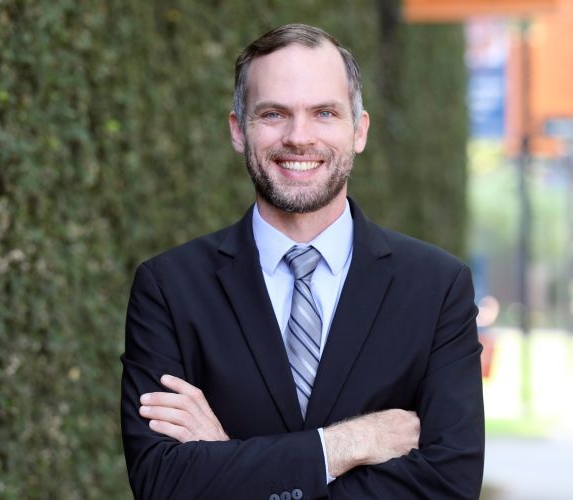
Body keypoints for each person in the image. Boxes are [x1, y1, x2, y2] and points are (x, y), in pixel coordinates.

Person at [120, 23, 484, 500]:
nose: (299, 137)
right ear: (238, 131)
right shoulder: (169, 288)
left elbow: (448, 487)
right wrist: (341, 446)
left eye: (324, 113)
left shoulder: (437, 288)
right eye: (273, 113)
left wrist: (226, 459)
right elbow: (162, 482)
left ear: (359, 131)